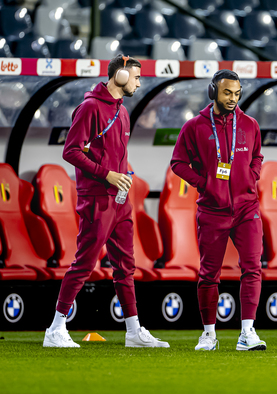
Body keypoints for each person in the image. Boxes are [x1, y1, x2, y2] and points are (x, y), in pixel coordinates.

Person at [44, 54, 169, 348]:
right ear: (121, 76)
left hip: (120, 199)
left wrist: (123, 175)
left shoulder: (123, 111)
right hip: (97, 198)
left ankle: (133, 331)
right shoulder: (89, 108)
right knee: (84, 263)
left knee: (126, 265)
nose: (139, 83)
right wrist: (108, 175)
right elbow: (71, 152)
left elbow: (116, 154)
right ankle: (55, 328)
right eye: (136, 77)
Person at [171, 70, 266, 351]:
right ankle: (209, 334)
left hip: (247, 208)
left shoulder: (249, 124)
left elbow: (258, 156)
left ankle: (247, 334)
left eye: (237, 94)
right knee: (209, 274)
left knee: (253, 268)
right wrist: (205, 184)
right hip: (212, 211)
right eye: (227, 93)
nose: (233, 99)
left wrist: (252, 176)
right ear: (213, 91)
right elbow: (178, 163)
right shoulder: (195, 127)